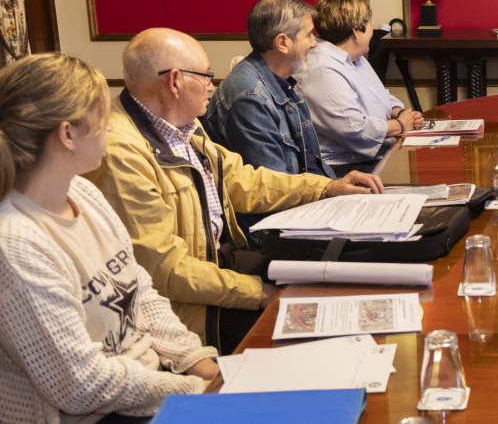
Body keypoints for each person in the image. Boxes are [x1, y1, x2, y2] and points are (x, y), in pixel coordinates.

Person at [85, 28, 383, 355]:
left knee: (333, 279)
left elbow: (241, 180)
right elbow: (165, 271)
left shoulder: (182, 123)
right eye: (207, 76)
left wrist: (326, 186)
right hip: (185, 307)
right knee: (316, 331)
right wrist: (256, 292)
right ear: (175, 82)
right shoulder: (122, 154)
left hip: (217, 265)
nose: (213, 86)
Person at [0, 54, 218, 424]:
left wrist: (196, 362)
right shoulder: (16, 243)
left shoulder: (83, 191)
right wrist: (193, 391)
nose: (112, 130)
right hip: (101, 414)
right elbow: (81, 385)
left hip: (152, 386)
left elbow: (140, 290)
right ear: (67, 135)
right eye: (102, 121)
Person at [202, 0, 334, 178]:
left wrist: (338, 184)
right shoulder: (249, 97)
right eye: (309, 34)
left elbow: (309, 161)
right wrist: (330, 188)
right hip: (295, 203)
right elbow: (275, 186)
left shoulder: (282, 81)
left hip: (313, 193)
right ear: (282, 43)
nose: (314, 43)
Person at [296, 0, 424, 177]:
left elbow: (380, 94)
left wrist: (401, 113)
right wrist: (400, 125)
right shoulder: (323, 68)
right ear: (356, 31)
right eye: (369, 23)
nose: (371, 29)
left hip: (369, 155)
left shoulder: (353, 55)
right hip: (344, 167)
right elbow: (353, 128)